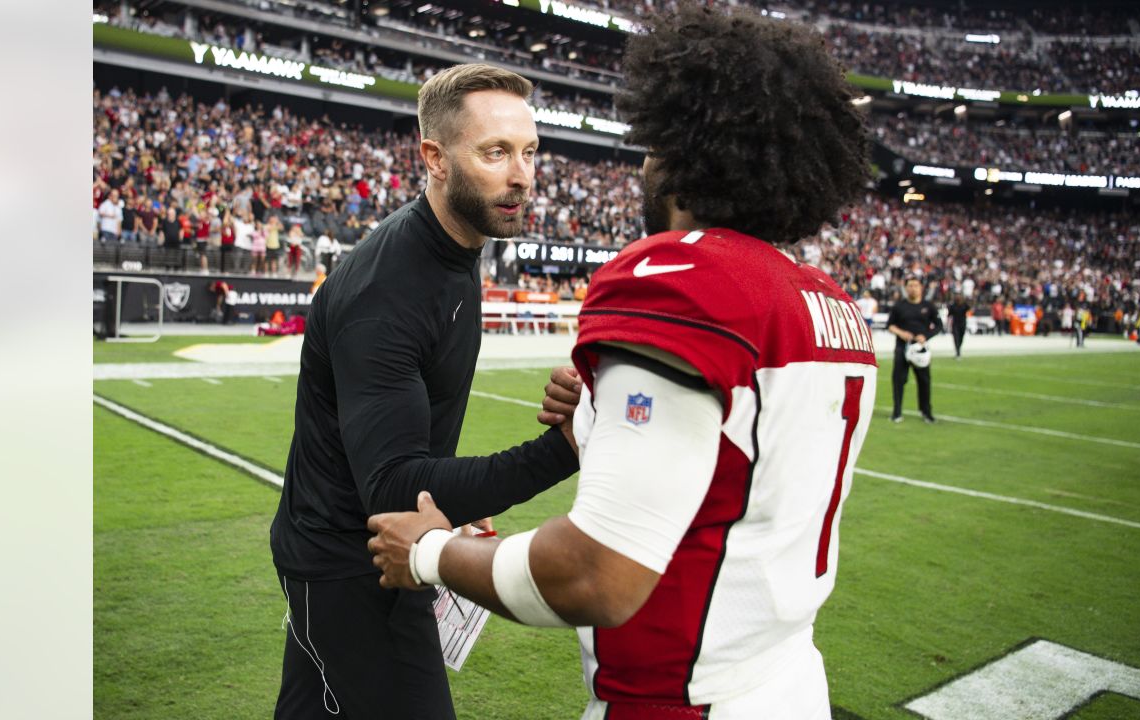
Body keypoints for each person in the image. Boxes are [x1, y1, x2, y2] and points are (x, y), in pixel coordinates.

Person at [365, 8, 876, 718]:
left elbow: (597, 573)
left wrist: (431, 554)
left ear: (682, 152)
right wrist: (607, 420)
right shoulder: (832, 306)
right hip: (787, 682)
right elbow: (732, 470)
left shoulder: (682, 281)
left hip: (683, 701)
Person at [269, 63, 580, 720]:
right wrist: (563, 449)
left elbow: (409, 447)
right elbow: (393, 483)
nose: (521, 175)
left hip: (375, 543)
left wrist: (453, 507)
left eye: (528, 152)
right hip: (354, 564)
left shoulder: (456, 249)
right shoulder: (389, 289)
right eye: (495, 152)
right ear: (434, 158)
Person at [887, 276, 942, 423]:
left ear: (921, 288)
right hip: (902, 348)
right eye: (910, 286)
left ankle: (926, 412)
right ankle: (897, 412)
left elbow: (939, 325)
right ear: (906, 288)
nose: (913, 288)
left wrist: (925, 336)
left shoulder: (928, 306)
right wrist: (901, 333)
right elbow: (890, 325)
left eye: (916, 286)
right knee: (898, 380)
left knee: (924, 381)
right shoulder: (899, 306)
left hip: (920, 350)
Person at [948, 294, 970, 359]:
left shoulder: (964, 305)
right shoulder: (953, 306)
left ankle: (958, 349)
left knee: (961, 338)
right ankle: (958, 352)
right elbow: (949, 314)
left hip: (963, 324)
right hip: (955, 324)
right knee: (956, 338)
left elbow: (969, 309)